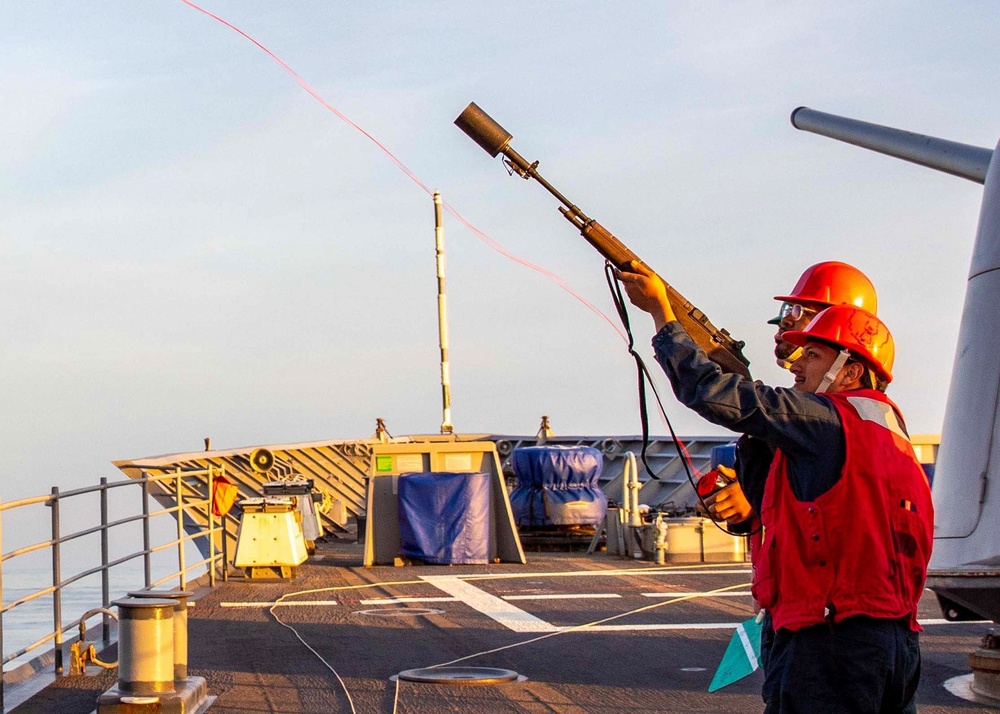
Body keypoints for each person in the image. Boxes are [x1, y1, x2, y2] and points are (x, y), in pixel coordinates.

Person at [618, 261, 933, 713]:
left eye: (814, 354)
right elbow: (818, 506)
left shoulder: (825, 420)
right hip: (891, 640)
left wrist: (661, 315)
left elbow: (709, 392)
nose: (797, 361)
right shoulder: (885, 425)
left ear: (850, 370)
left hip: (829, 642)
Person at [704, 261, 879, 527]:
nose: (786, 320)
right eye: (787, 309)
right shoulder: (823, 406)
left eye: (800, 311)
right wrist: (752, 491)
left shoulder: (837, 418)